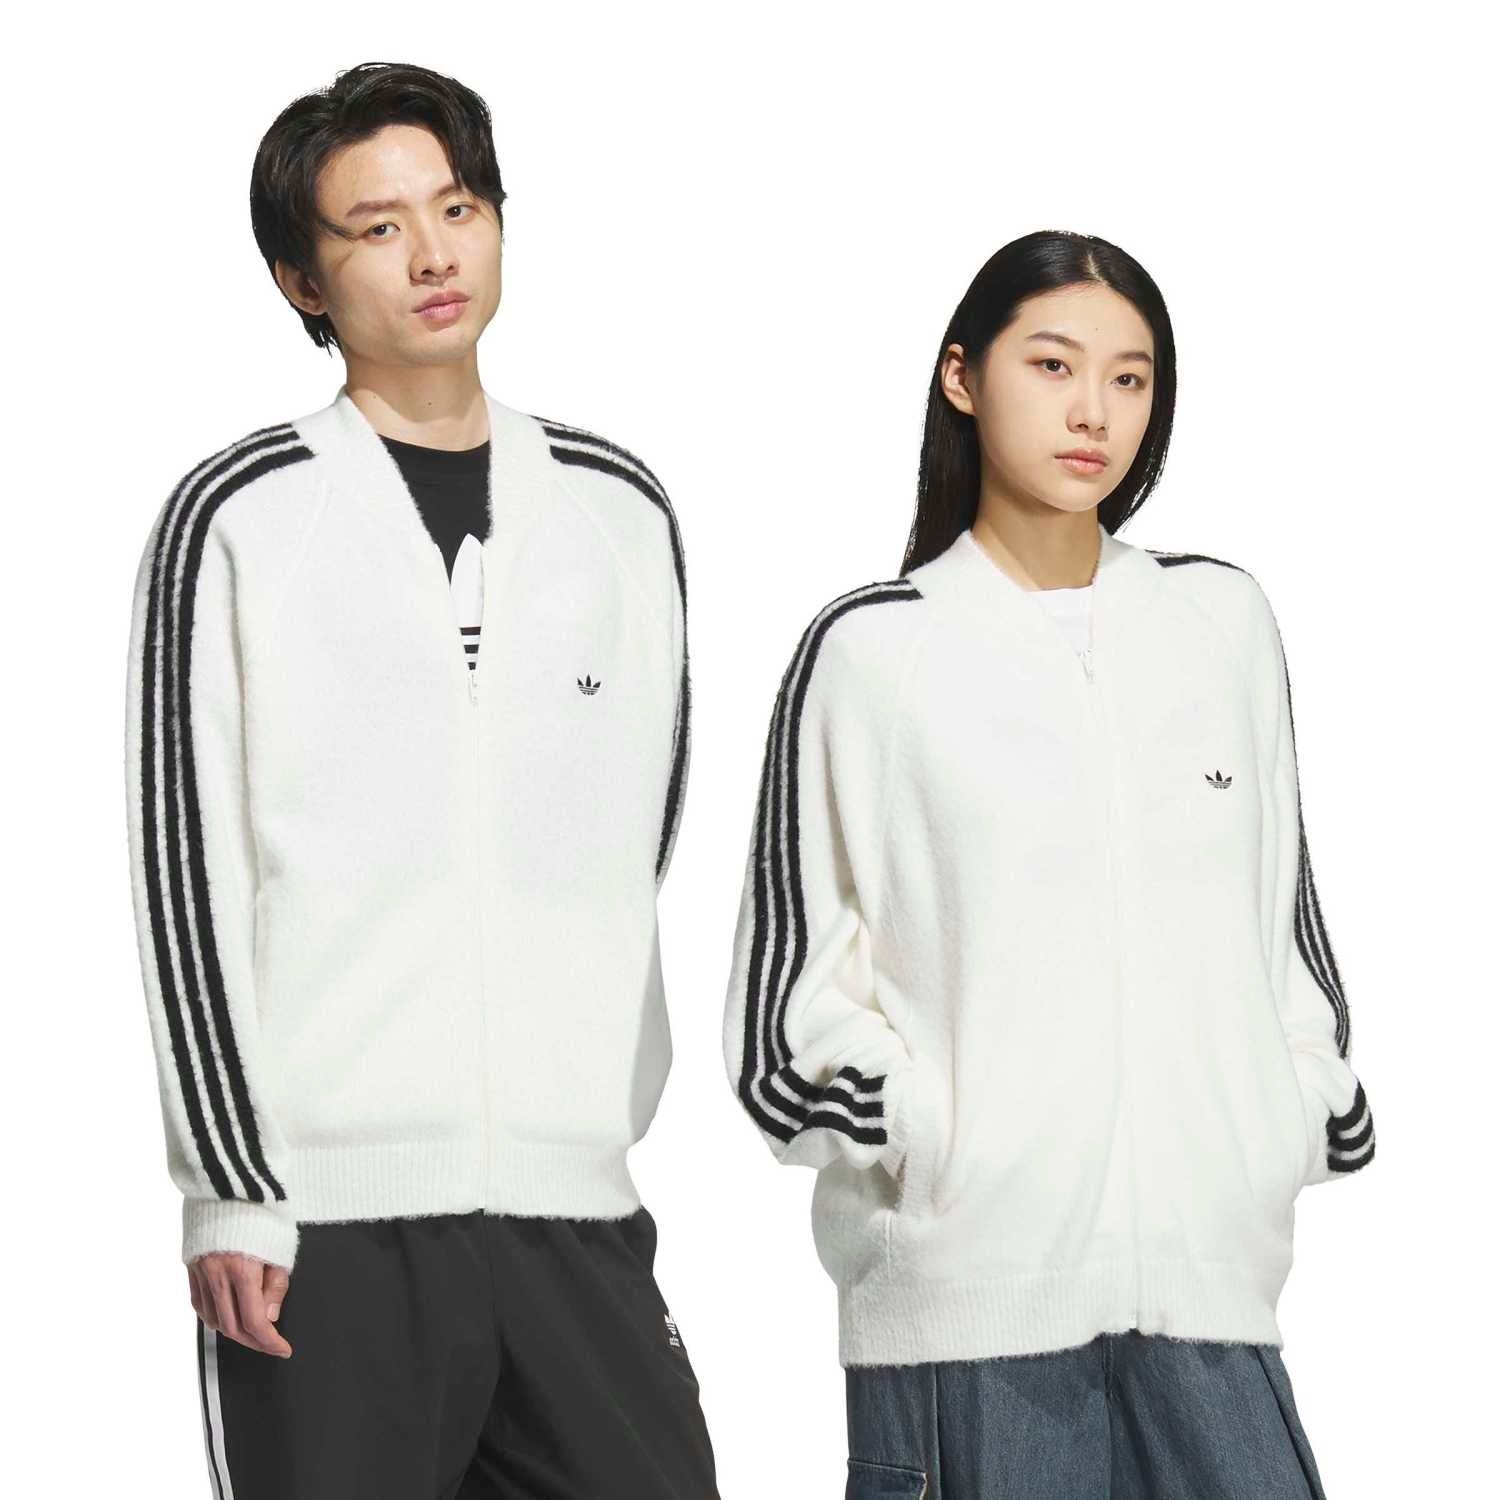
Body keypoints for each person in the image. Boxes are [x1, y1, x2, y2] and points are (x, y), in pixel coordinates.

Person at [123, 61, 716, 1500]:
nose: (434, 253)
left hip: (574, 1209)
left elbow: (636, 833)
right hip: (327, 1227)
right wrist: (232, 1184)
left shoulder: (620, 511)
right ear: (302, 281)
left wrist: (590, 1106)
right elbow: (187, 870)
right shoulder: (239, 518)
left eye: (458, 208)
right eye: (377, 227)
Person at [721, 229, 1375, 1499]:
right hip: (971, 1318)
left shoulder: (1220, 624)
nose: (1095, 413)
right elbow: (784, 1011)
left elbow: (1283, 929)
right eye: (1054, 365)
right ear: (962, 376)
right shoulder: (871, 653)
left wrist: (1286, 1113)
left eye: (1131, 378)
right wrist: (936, 1141)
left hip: (1209, 1299)